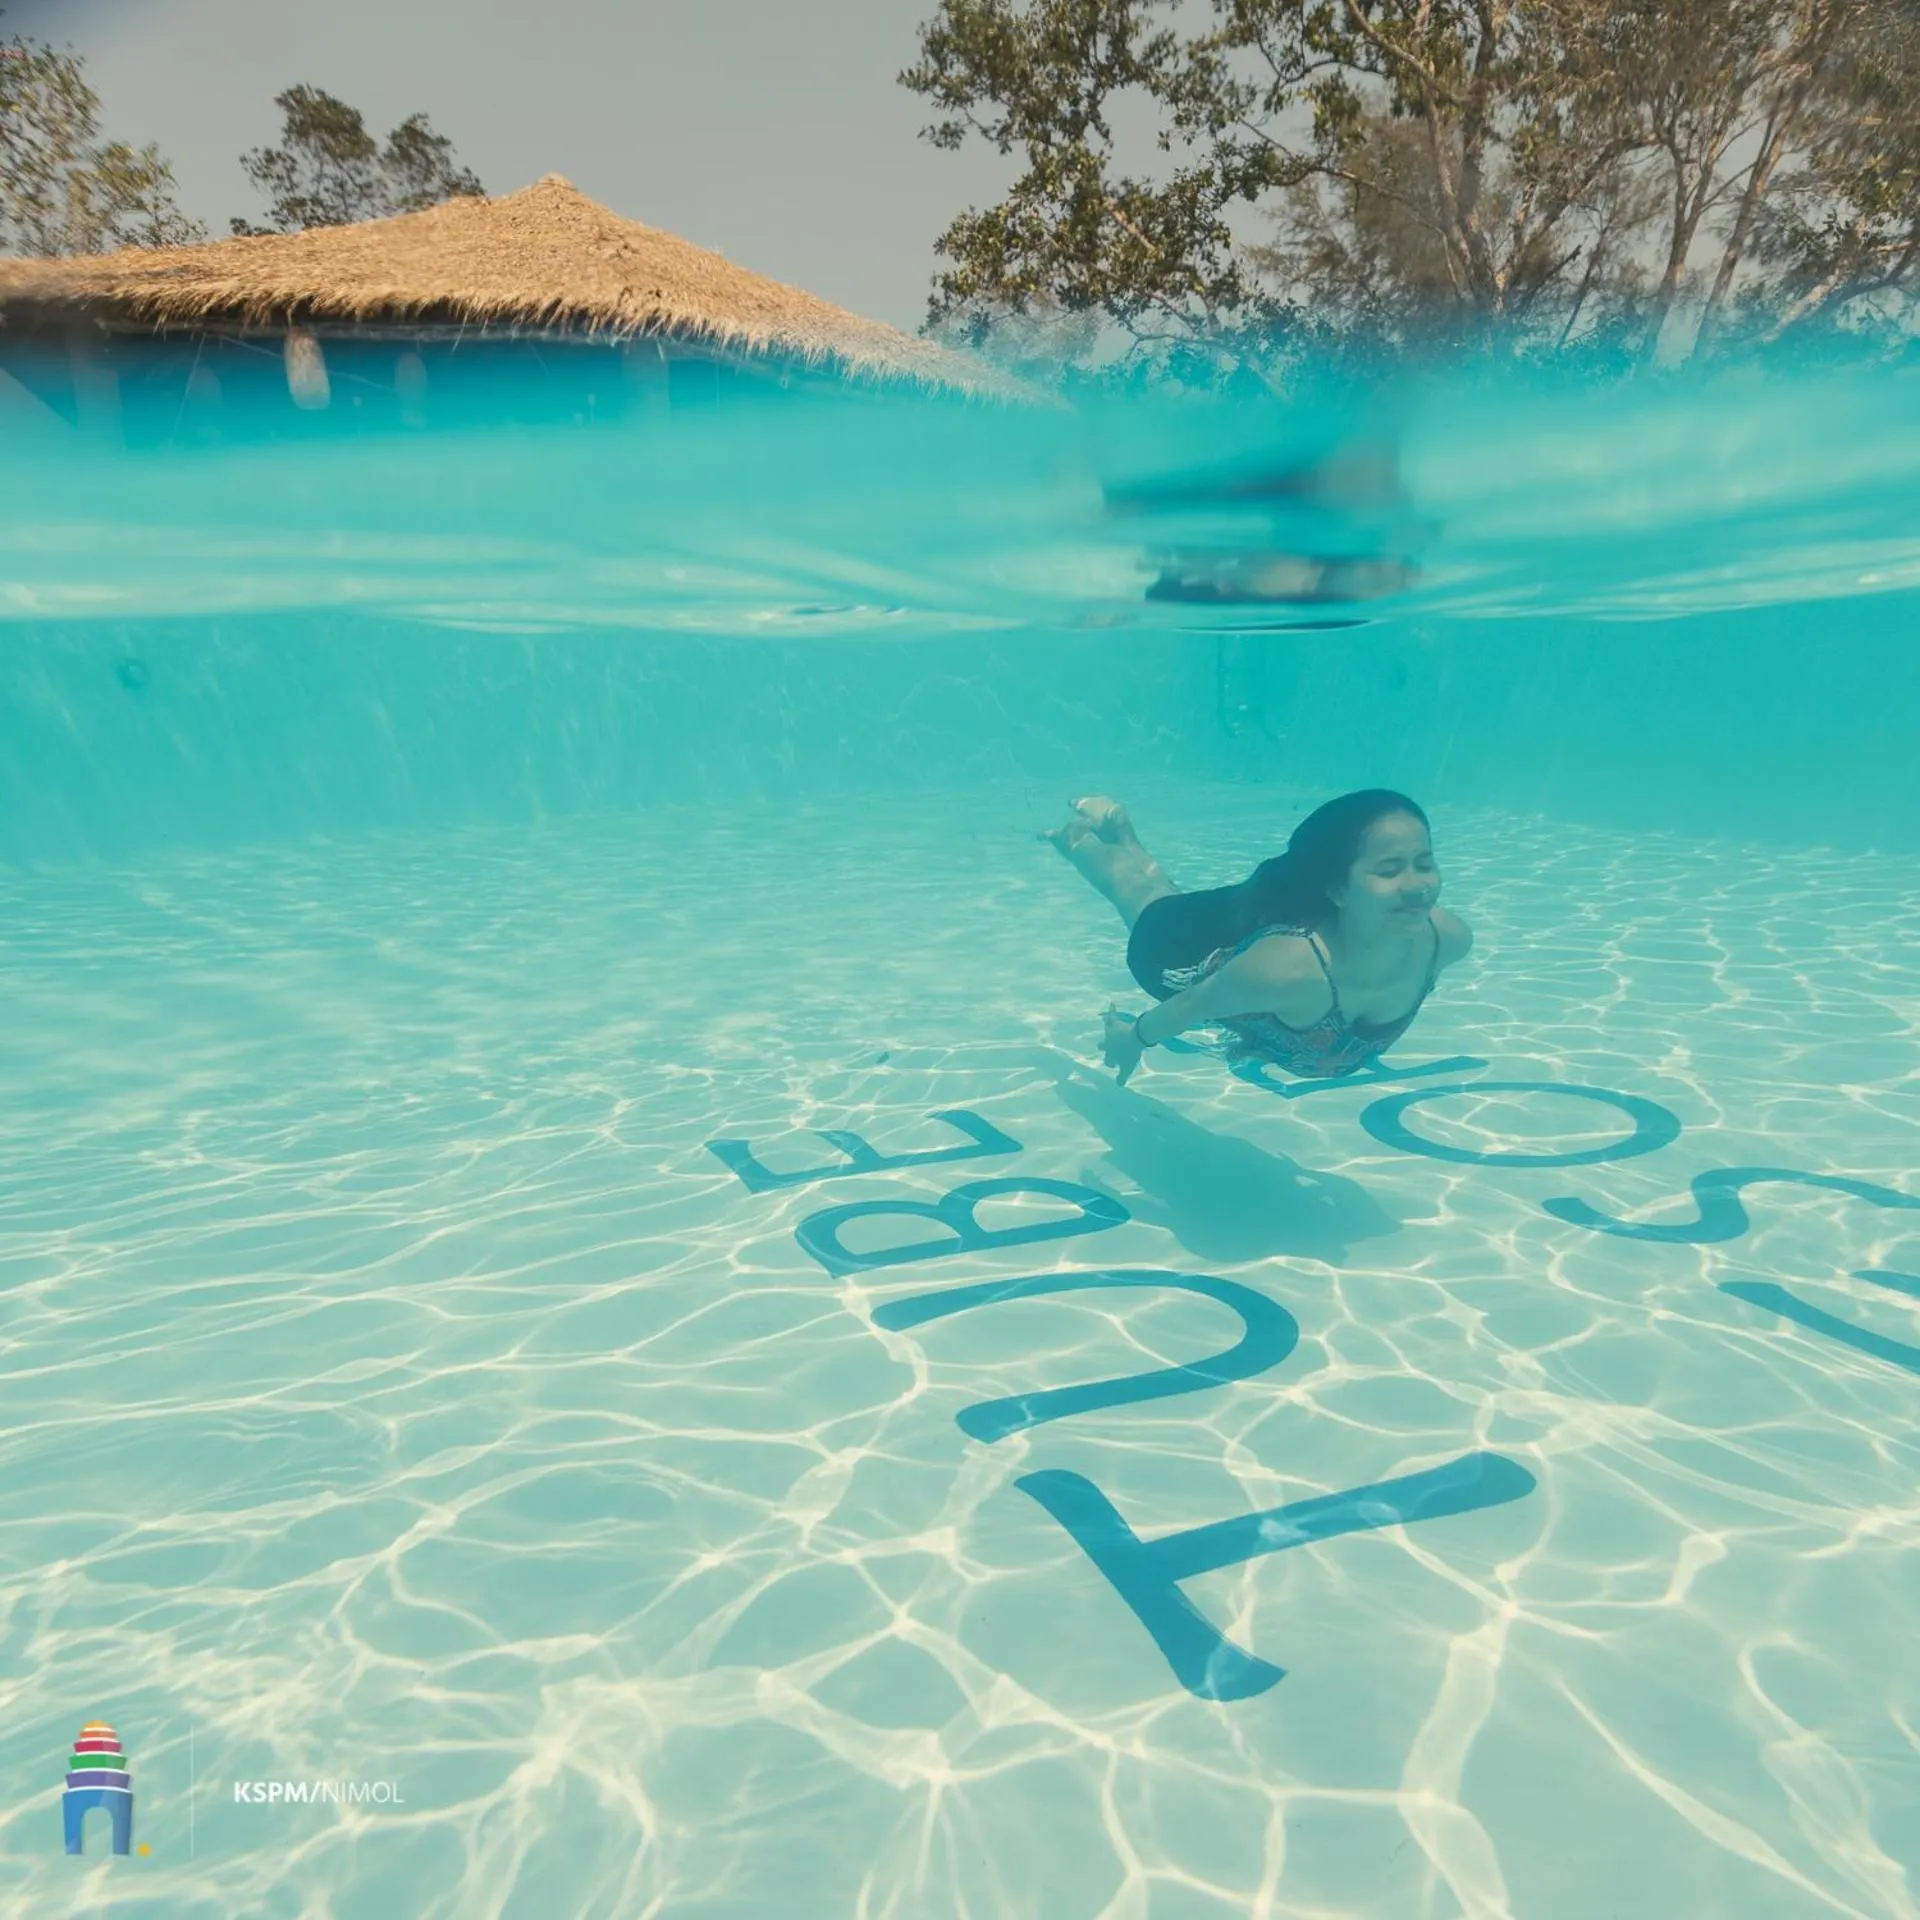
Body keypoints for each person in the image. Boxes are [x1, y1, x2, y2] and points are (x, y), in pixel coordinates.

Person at [1041, 790, 1472, 1085]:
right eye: (1390, 870)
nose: (1417, 886)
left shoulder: (1447, 940)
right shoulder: (1288, 972)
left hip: (1244, 928)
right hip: (1175, 956)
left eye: (1424, 863)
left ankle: (1121, 831)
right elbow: (1191, 1003)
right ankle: (1076, 838)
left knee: (1162, 892)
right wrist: (1132, 1037)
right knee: (1139, 896)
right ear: (1338, 888)